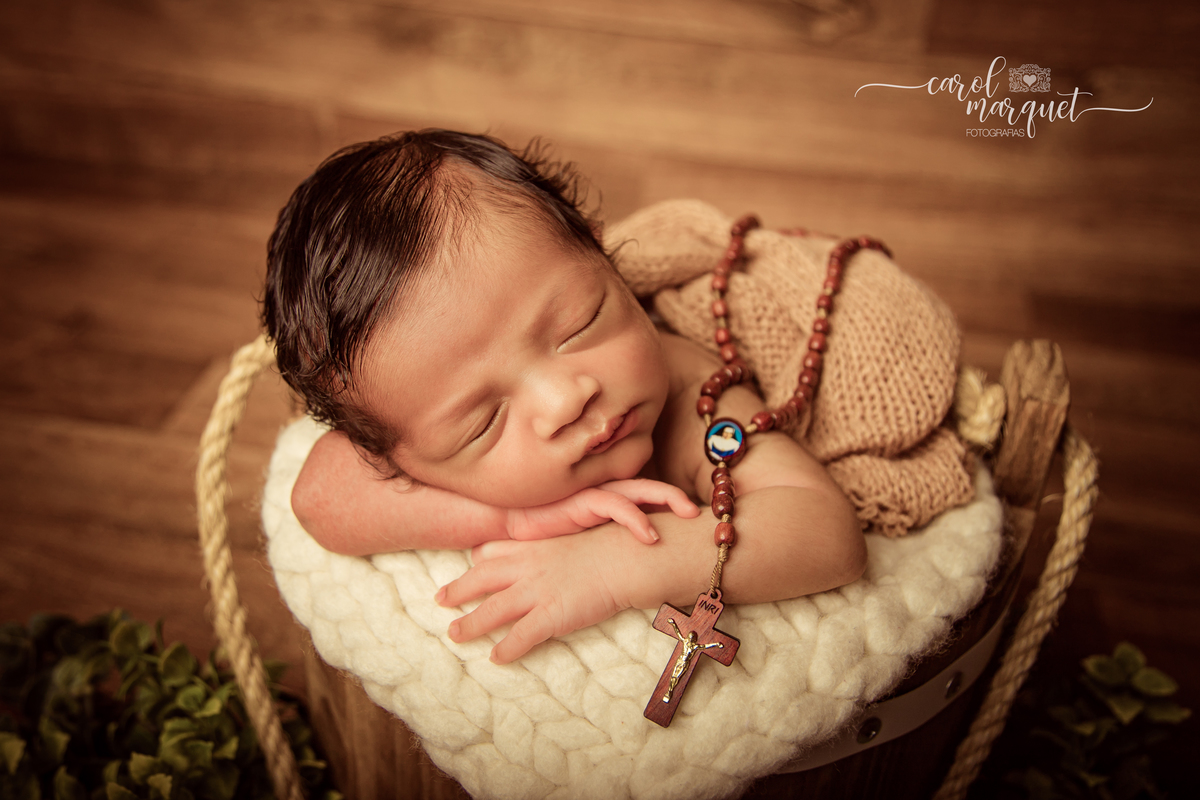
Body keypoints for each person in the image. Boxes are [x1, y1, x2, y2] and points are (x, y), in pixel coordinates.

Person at [262, 129, 865, 667]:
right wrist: (511, 519)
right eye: (483, 422)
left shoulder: (694, 401)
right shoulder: (410, 424)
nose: (566, 400)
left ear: (604, 255)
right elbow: (318, 498)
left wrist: (614, 566)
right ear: (398, 461)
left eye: (578, 325)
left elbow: (821, 531)